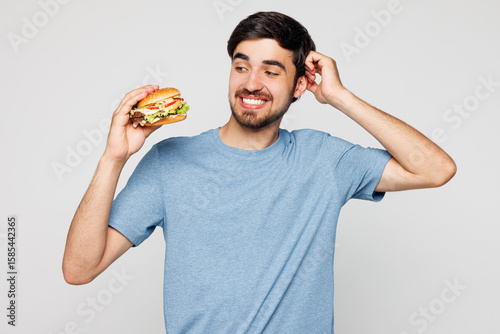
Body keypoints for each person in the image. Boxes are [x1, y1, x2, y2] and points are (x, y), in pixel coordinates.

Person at [63, 11, 456, 333]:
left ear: (301, 83)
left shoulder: (324, 158)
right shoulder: (171, 161)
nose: (251, 83)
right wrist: (113, 158)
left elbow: (436, 169)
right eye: (241, 66)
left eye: (271, 71)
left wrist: (339, 97)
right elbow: (79, 270)